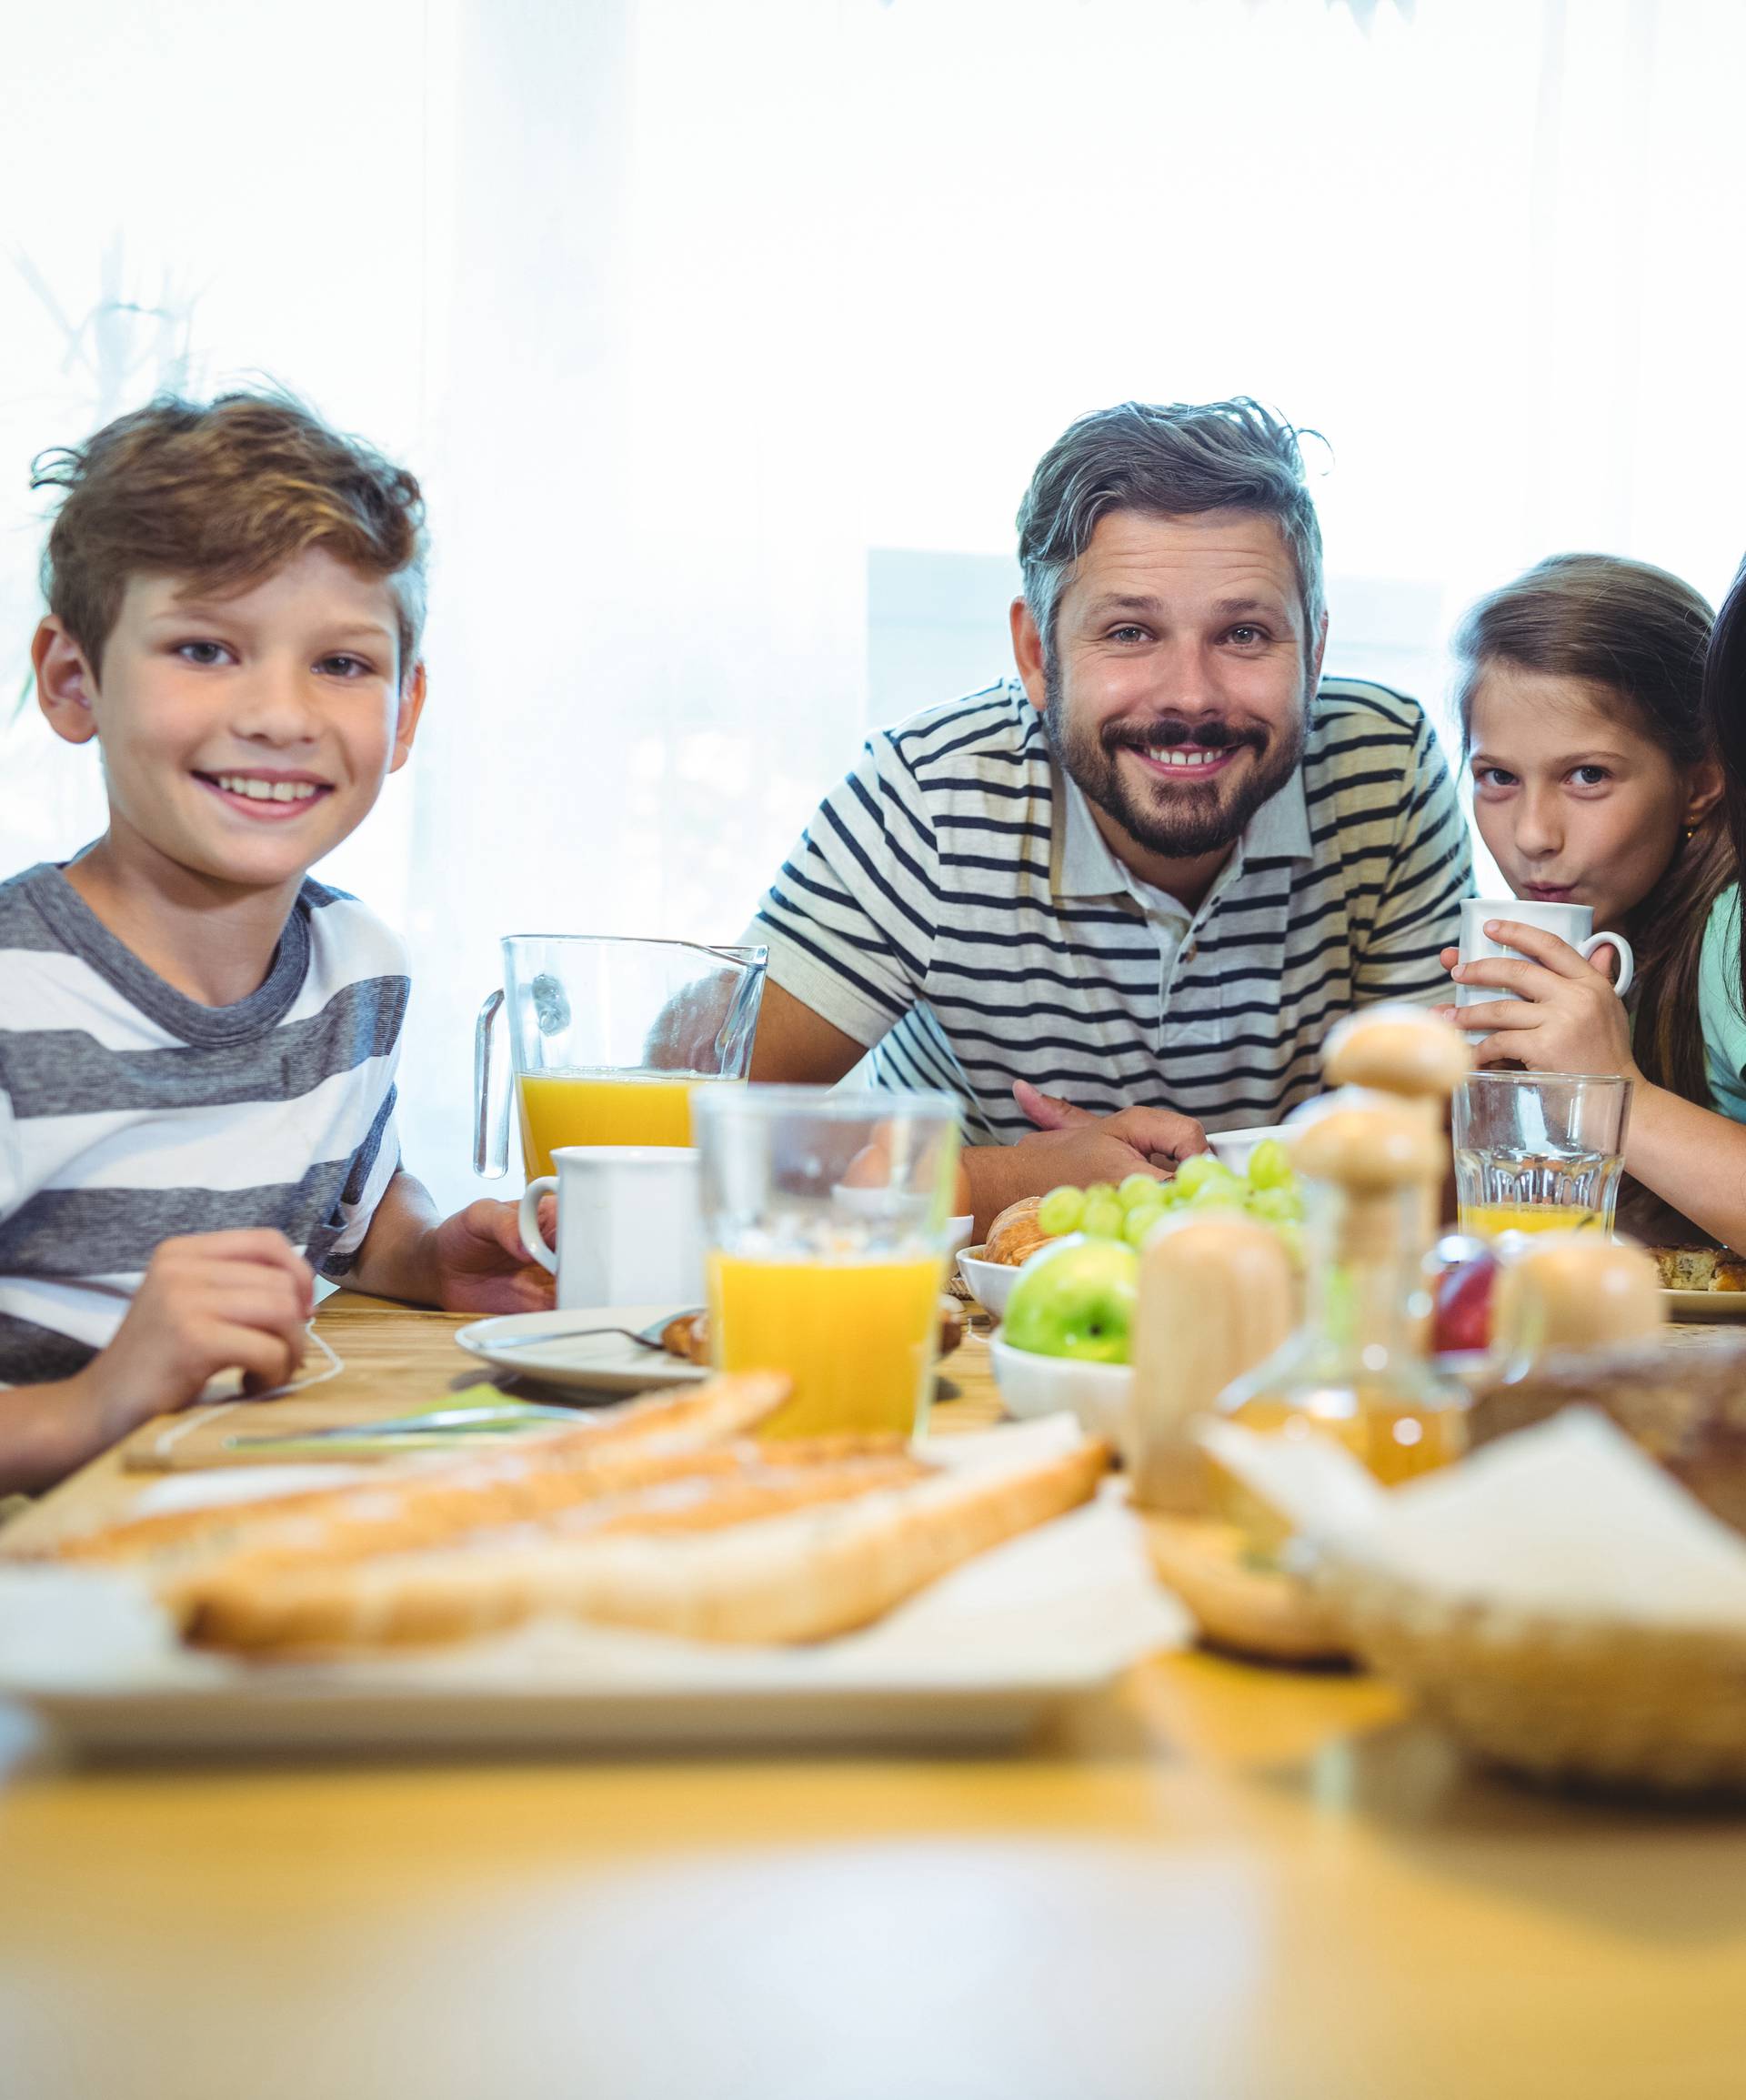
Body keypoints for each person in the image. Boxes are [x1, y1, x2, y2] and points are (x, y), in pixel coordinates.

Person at [0, 393, 554, 1493]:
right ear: (74, 682)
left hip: (224, 1515)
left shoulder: (359, 968)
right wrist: (101, 1395)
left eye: (341, 665)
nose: (281, 715)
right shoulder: (18, 999)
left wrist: (434, 1256)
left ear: (404, 713)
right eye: (205, 648)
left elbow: (349, 1216)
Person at [747, 398, 1471, 1229]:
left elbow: (1440, 1169)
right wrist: (1004, 1180)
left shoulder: (1387, 769)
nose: (1191, 695)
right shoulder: (928, 796)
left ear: (1313, 654)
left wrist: (1157, 1202)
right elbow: (678, 1130)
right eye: (1130, 632)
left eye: (1243, 635)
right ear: (1037, 656)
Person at [1431, 552, 1746, 1248]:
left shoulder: (1731, 933)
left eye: (1587, 775)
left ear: (1700, 783)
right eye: (1498, 778)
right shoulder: (1595, 941)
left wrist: (1608, 1086)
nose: (1533, 835)